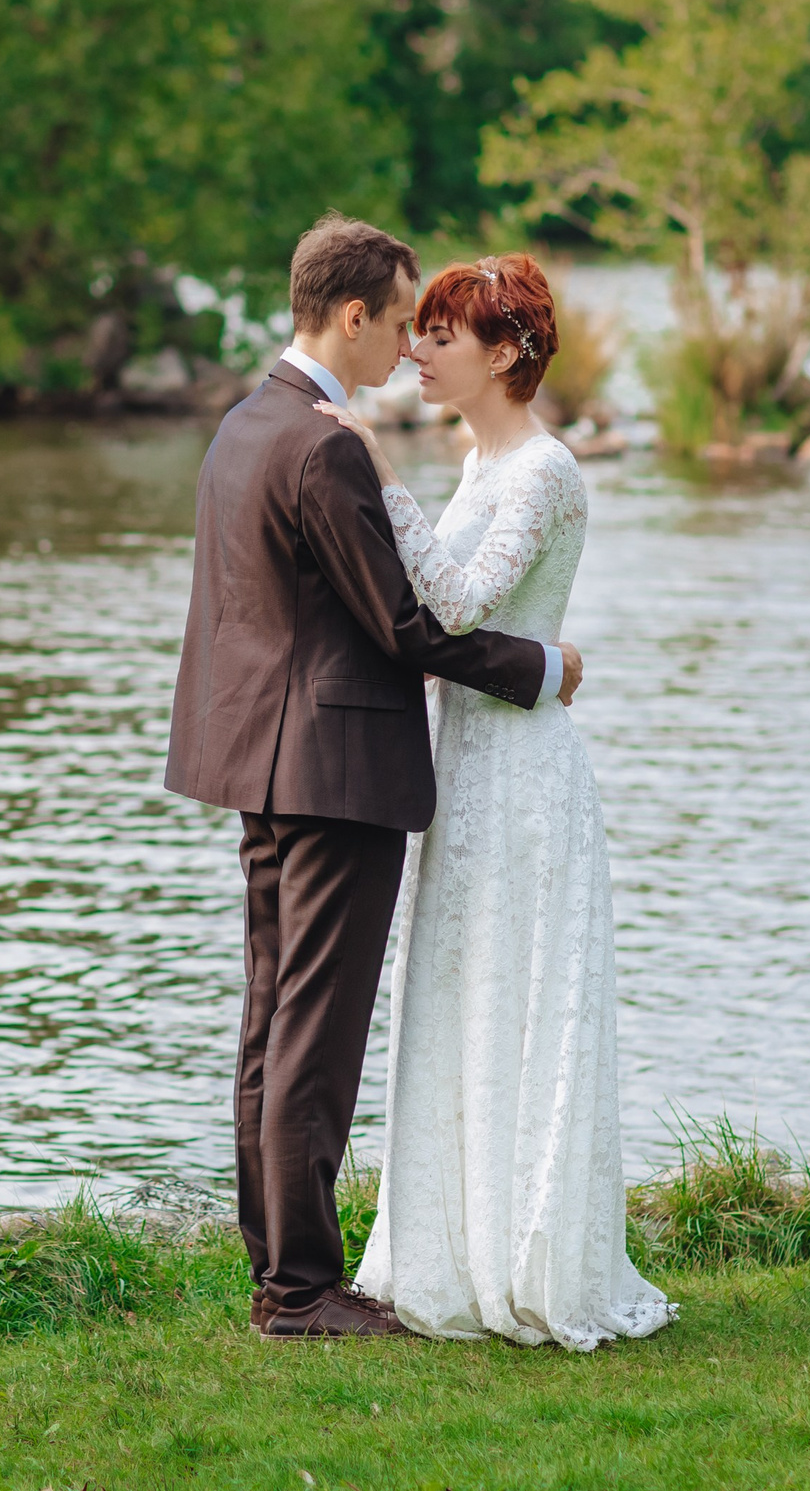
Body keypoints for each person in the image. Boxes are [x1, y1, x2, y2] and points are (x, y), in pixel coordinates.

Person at [164, 214, 583, 1340]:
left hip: (258, 758)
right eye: (400, 320)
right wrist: (541, 667)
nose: (406, 343)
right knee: (315, 1035)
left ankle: (282, 1278)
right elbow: (405, 629)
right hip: (337, 769)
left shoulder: (249, 424)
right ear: (352, 315)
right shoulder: (326, 443)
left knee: (270, 1025)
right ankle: (301, 1291)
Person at [315, 253, 674, 1351]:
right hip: (461, 765)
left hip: (522, 777)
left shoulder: (543, 470)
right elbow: (444, 634)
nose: (414, 351)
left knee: (521, 995)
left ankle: (528, 1259)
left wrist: (377, 480)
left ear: (506, 352)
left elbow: (463, 601)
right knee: (460, 997)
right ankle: (449, 1251)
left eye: (439, 334)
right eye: (413, 331)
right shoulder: (479, 467)